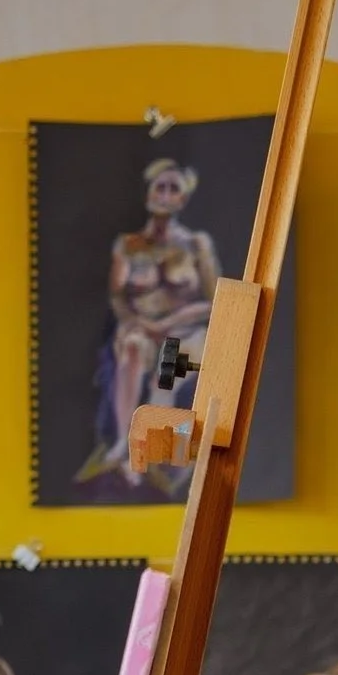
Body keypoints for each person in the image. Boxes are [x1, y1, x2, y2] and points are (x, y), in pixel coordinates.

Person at [80, 158, 222, 489]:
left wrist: (170, 322)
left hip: (183, 335)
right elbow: (117, 296)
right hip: (143, 330)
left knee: (165, 377)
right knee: (131, 348)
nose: (165, 195)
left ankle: (153, 455)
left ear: (182, 199)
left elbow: (215, 300)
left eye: (173, 189)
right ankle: (124, 442)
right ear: (148, 194)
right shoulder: (128, 246)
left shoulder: (196, 244)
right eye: (160, 187)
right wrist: (134, 322)